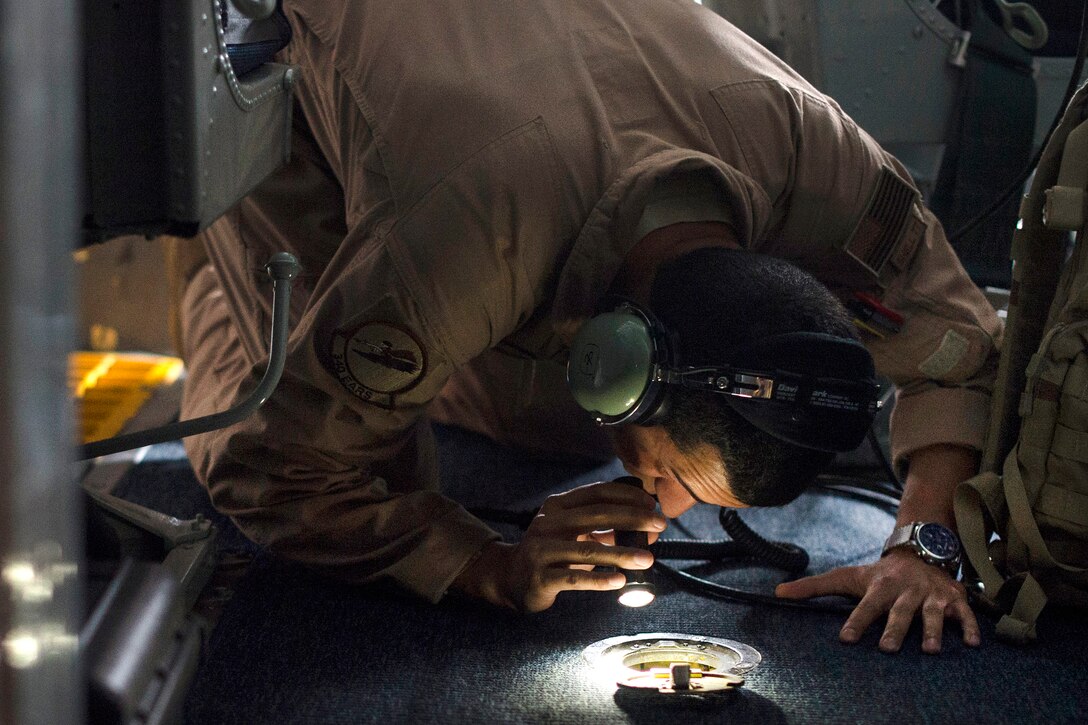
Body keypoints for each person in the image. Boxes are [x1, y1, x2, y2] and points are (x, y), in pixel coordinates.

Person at [177, 0, 1001, 654]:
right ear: (618, 361)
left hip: (517, 131)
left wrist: (925, 541)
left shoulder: (814, 160)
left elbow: (958, 344)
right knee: (370, 479)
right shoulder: (457, 250)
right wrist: (491, 567)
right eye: (682, 481)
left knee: (564, 440)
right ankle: (212, 296)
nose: (666, 505)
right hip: (308, 64)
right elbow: (285, 475)